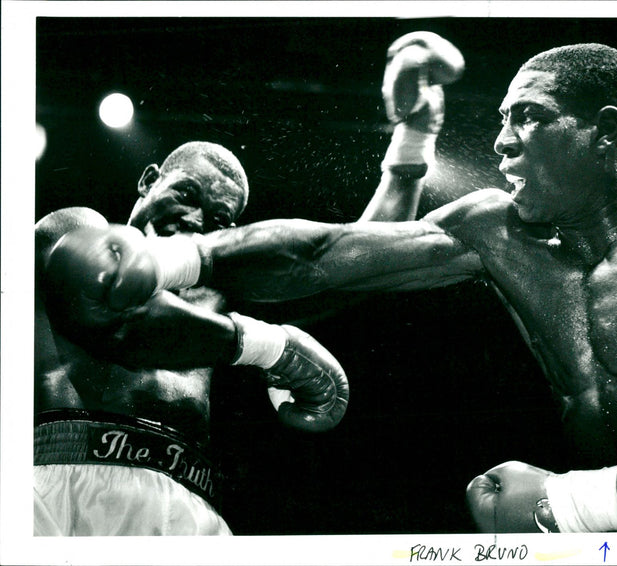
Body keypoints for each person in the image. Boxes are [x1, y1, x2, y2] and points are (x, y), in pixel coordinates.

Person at [49, 41, 617, 533]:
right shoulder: (500, 230)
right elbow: (328, 253)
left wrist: (568, 504)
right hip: (50, 480)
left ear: (607, 131)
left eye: (528, 116)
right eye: (499, 120)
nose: (499, 142)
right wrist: (194, 265)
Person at [34, 32, 465, 536]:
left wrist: (414, 137)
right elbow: (125, 322)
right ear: (149, 180)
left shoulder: (212, 298)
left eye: (218, 218)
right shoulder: (72, 228)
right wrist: (271, 347)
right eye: (186, 192)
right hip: (59, 474)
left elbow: (353, 265)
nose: (195, 218)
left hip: (186, 498)